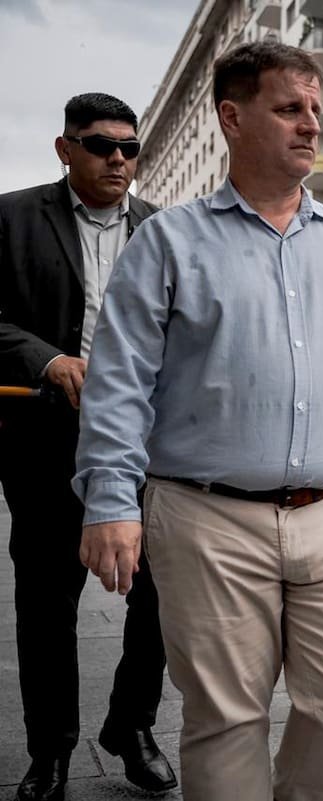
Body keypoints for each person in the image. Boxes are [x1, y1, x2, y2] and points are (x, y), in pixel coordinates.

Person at [71, 42, 323, 801]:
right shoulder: (167, 242)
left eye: (315, 109)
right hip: (207, 516)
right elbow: (120, 381)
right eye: (289, 108)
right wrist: (109, 500)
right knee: (226, 716)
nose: (311, 124)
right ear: (232, 118)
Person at [0, 93, 175, 801]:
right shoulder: (12, 217)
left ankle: (131, 727)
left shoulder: (165, 229)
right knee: (47, 605)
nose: (118, 159)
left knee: (159, 594)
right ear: (65, 147)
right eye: (101, 145)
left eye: (130, 148)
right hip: (45, 443)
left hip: (149, 446)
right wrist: (46, 359)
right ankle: (50, 752)